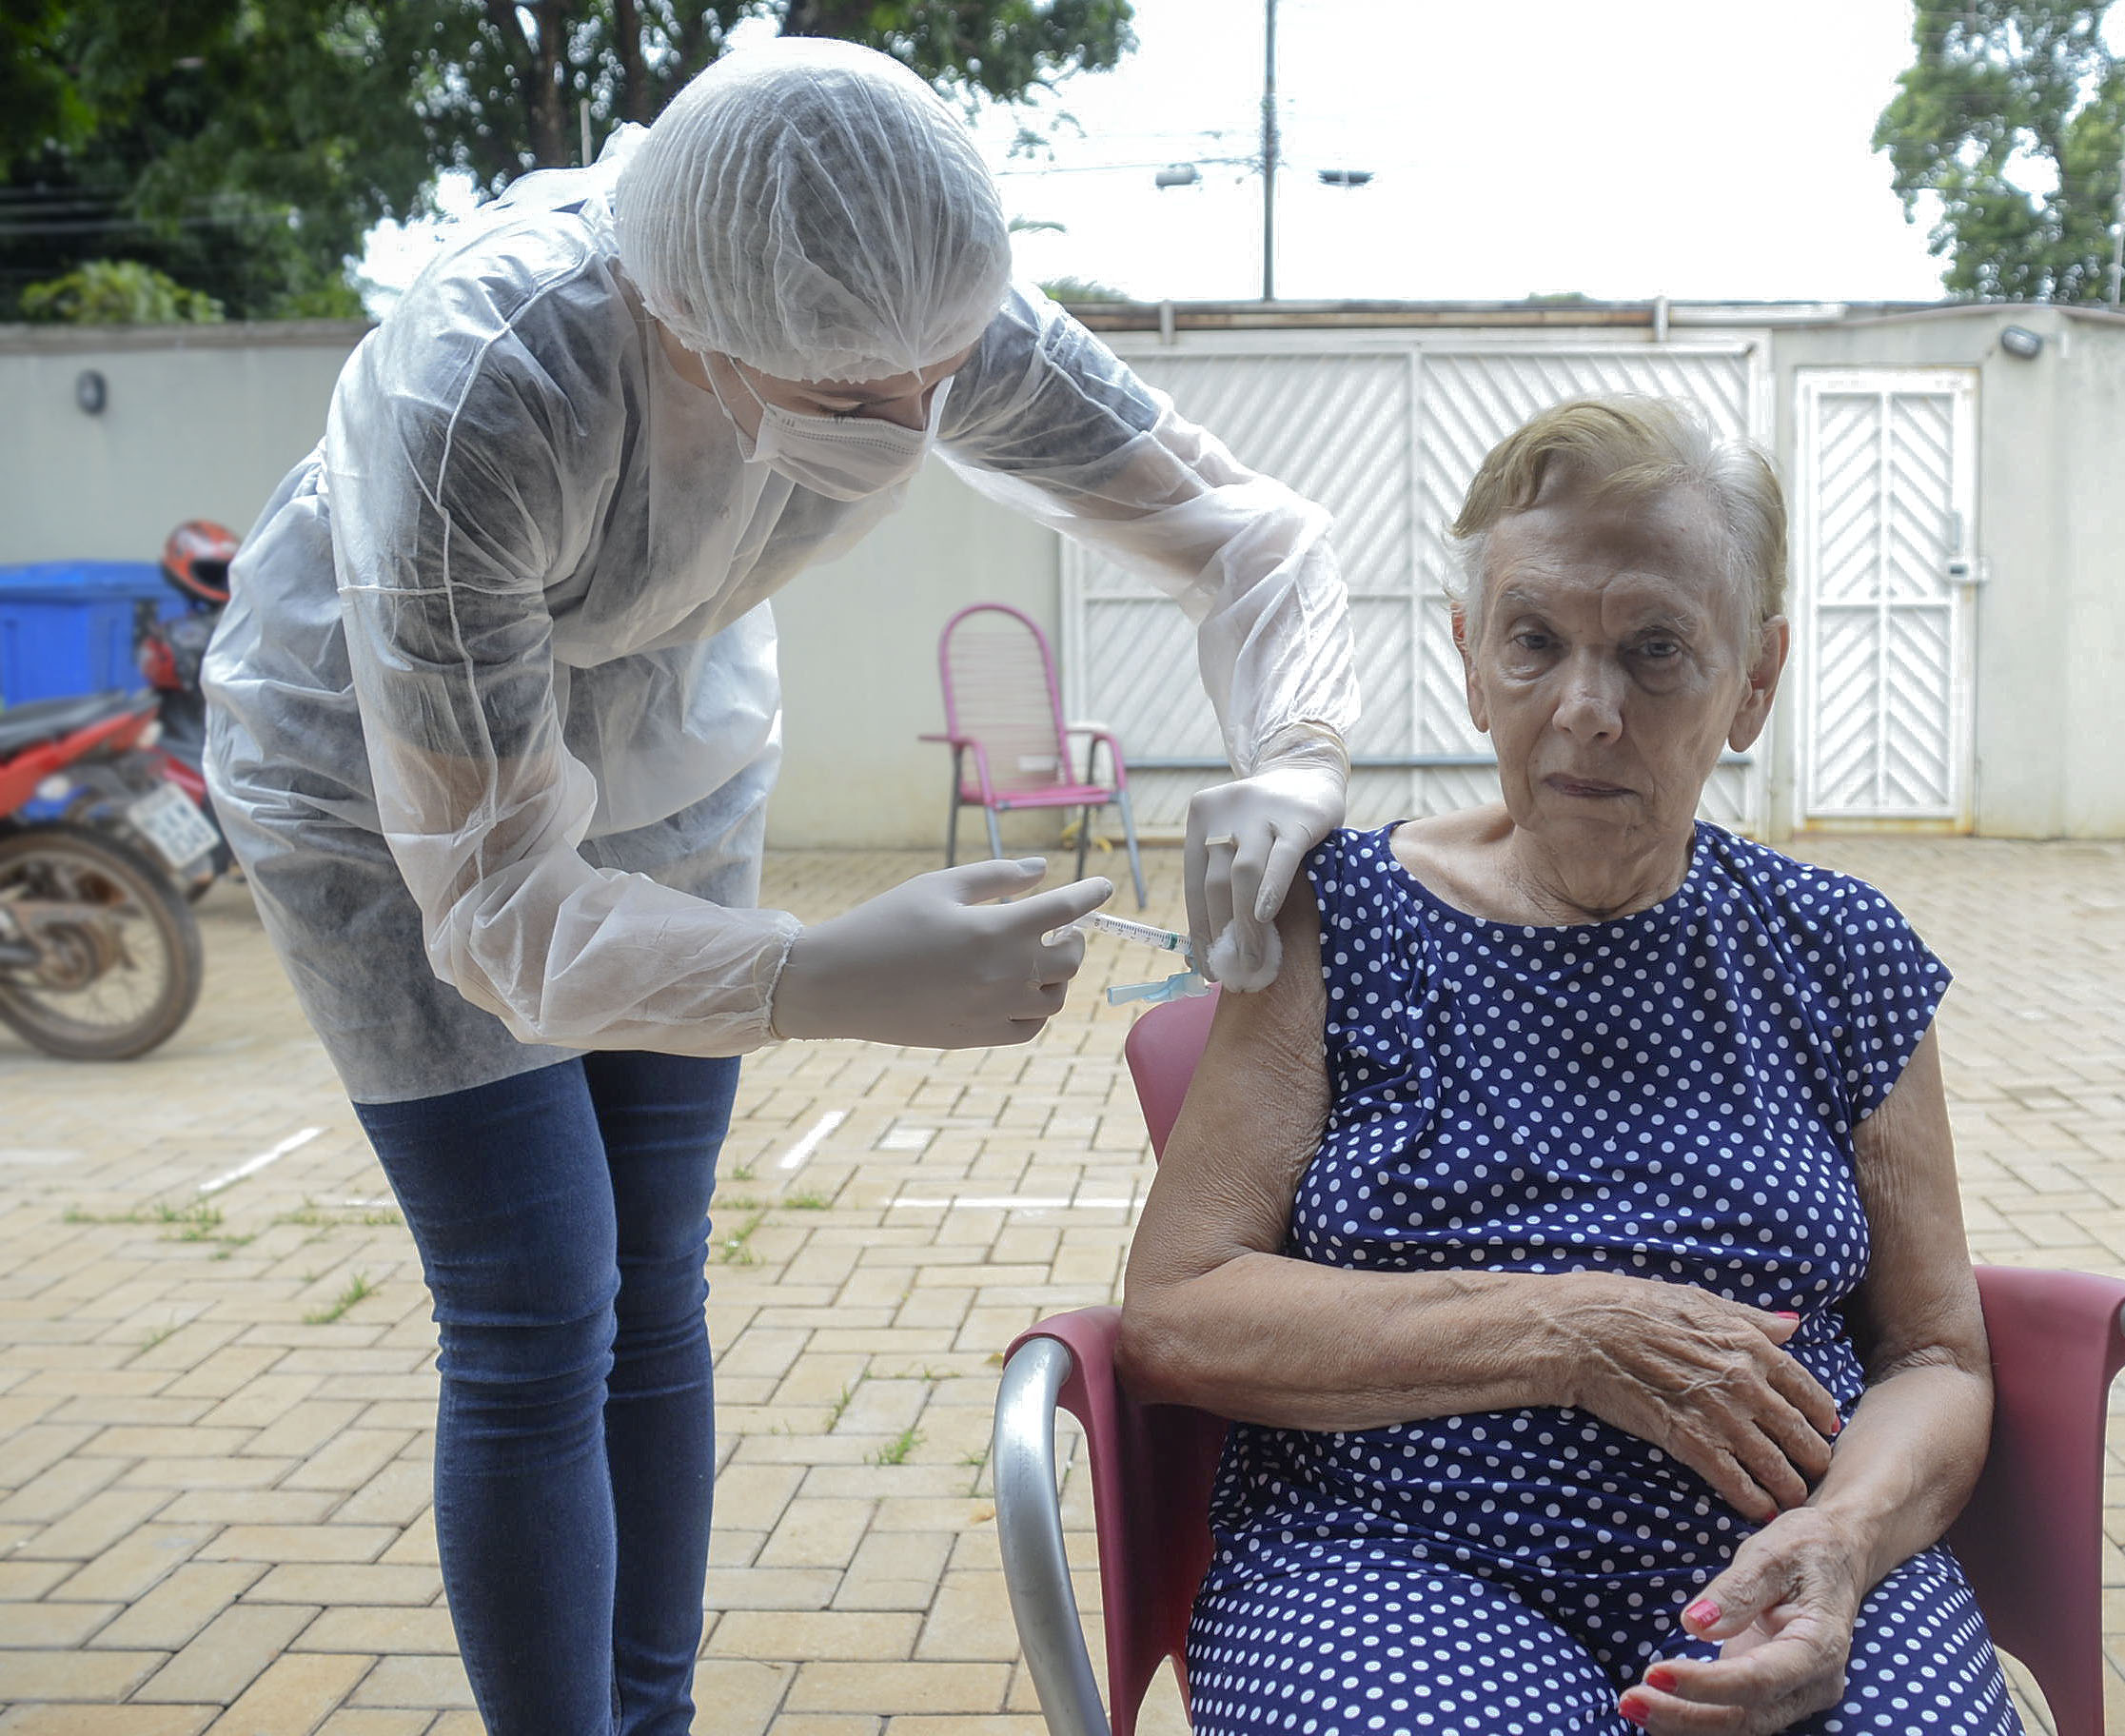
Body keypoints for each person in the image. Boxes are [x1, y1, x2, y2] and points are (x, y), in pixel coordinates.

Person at [201, 38, 1355, 1736]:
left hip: (670, 741)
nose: (913, 423)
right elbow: (501, 906)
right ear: (685, 318)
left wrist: (1294, 755)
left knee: (655, 1275)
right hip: (386, 789)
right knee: (538, 1300)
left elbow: (1249, 537)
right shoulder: (488, 387)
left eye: (935, 381)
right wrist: (815, 975)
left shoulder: (934, 308)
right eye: (853, 398)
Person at [1117, 397, 2019, 1736]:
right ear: (1472, 660)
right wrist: (1569, 1333)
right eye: (1535, 641)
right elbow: (1178, 1313)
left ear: (1754, 680)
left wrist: (1845, 1538)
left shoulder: (1840, 949)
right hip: (1391, 1558)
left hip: (1785, 1555)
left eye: (1656, 650)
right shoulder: (1337, 919)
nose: (1587, 711)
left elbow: (1938, 1355)